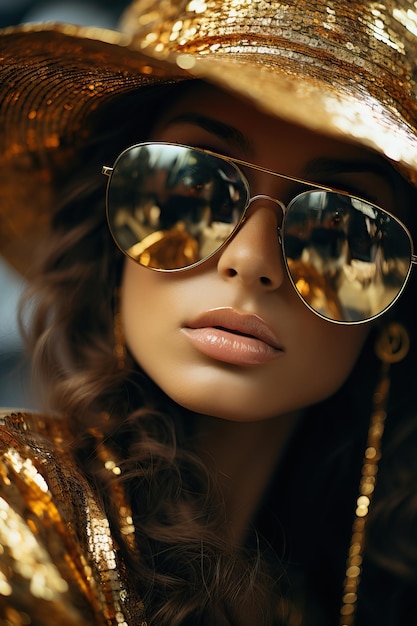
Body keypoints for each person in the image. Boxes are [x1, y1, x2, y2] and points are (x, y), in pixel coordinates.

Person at [1, 1, 417, 624]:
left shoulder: (321, 602)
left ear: (397, 307)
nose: (250, 260)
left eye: (340, 228)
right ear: (108, 227)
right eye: (189, 187)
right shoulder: (14, 515)